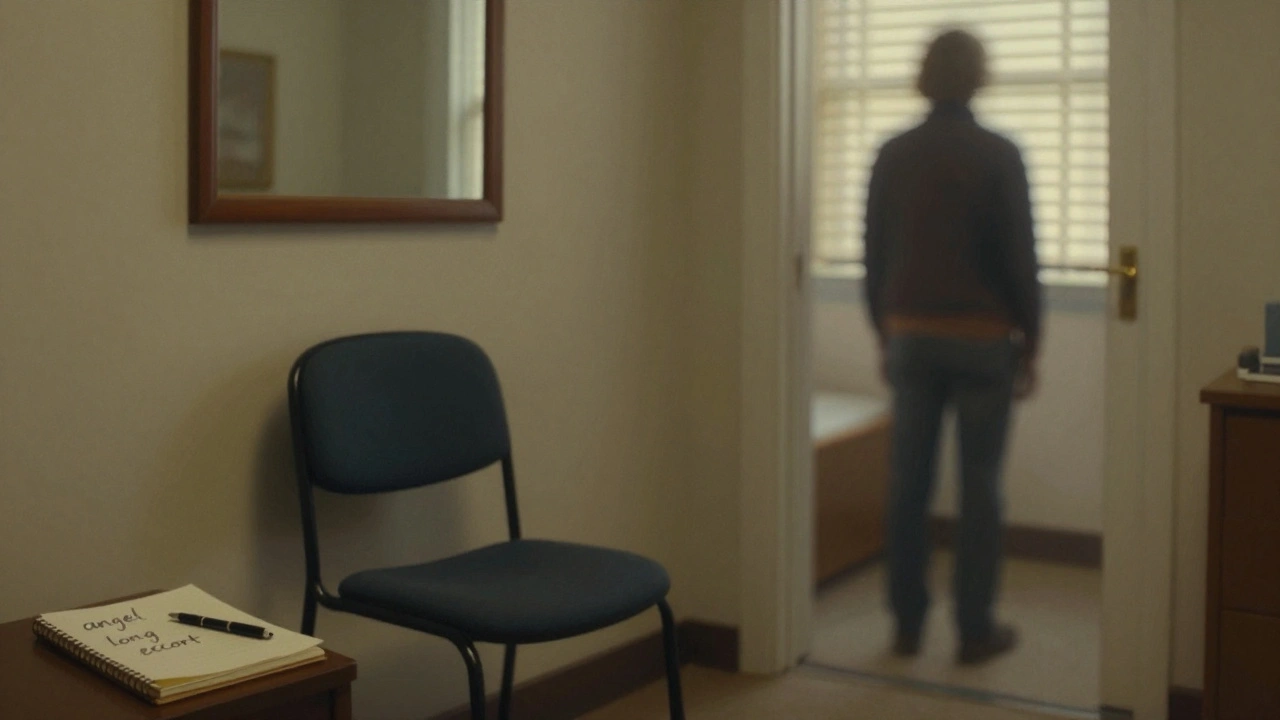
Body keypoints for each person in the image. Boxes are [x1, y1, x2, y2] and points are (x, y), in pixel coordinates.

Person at [862, 28, 1042, 665]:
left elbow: (874, 256)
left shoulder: (893, 153)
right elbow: (1020, 259)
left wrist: (885, 330)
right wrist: (1034, 340)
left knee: (907, 486)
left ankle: (907, 624)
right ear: (980, 77)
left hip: (911, 334)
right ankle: (973, 630)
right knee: (980, 491)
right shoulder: (998, 154)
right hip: (982, 343)